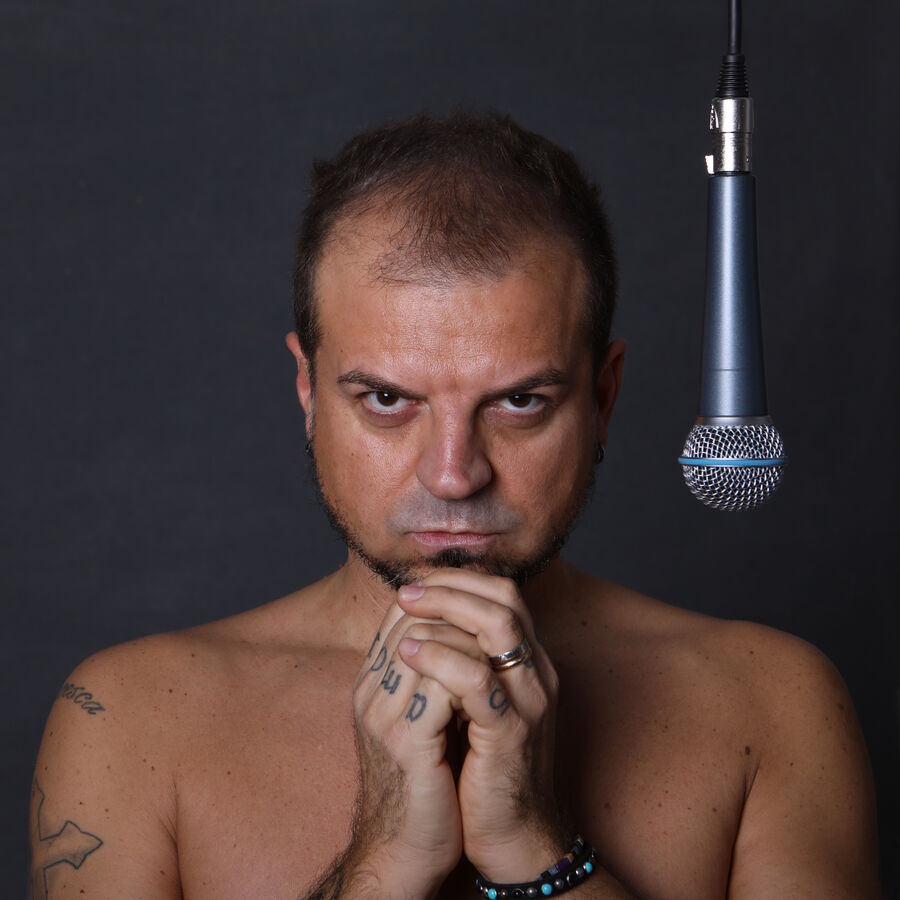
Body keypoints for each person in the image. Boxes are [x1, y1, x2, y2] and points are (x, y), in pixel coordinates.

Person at [30, 111, 880, 900]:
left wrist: (536, 847)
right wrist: (385, 857)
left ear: (604, 397)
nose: (452, 475)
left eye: (519, 403)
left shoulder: (769, 703)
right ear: (307, 390)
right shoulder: (131, 720)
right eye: (387, 400)